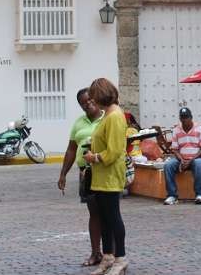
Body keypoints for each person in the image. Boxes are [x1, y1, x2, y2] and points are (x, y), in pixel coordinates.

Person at [84, 78, 129, 275]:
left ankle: (121, 257)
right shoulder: (107, 115)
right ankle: (108, 255)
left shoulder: (115, 116)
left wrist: (94, 157)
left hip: (110, 175)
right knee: (103, 217)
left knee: (113, 217)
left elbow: (114, 151)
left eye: (93, 97)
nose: (92, 101)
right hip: (101, 176)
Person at [58, 88, 104, 268]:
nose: (88, 104)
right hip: (86, 173)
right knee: (94, 213)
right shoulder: (79, 123)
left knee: (109, 214)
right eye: (83, 102)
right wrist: (63, 174)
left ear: (96, 99)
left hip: (104, 171)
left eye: (90, 100)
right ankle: (96, 253)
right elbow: (71, 149)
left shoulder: (107, 118)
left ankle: (113, 254)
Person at [163, 107, 201, 205]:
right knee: (168, 165)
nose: (184, 120)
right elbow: (175, 149)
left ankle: (200, 194)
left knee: (198, 163)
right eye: (182, 117)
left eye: (186, 117)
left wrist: (190, 160)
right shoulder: (176, 130)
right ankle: (172, 196)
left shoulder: (200, 129)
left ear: (191, 117)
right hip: (181, 159)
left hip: (197, 159)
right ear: (180, 118)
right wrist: (181, 160)